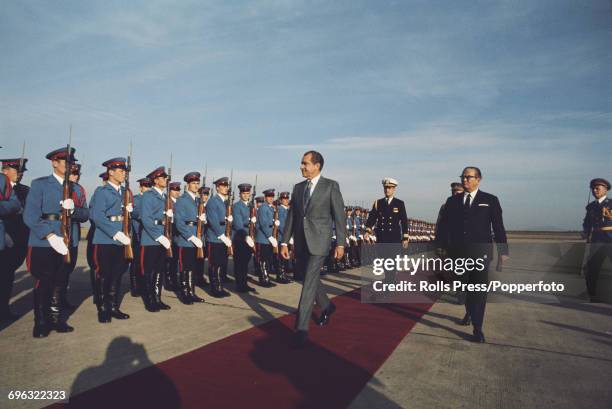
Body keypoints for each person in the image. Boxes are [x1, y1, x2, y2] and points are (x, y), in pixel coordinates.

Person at [280, 150, 347, 348]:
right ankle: (327, 305)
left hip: (320, 241)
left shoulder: (331, 186)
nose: (301, 166)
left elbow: (339, 216)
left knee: (308, 283)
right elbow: (293, 216)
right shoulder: (298, 188)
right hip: (301, 242)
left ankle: (301, 329)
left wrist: (341, 243)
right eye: (301, 163)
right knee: (305, 277)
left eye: (305, 163)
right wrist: (285, 242)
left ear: (317, 165)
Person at [436, 166, 509, 343]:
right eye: (463, 177)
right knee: (462, 289)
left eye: (469, 177)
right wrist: (441, 249)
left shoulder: (490, 200)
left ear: (478, 179)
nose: (465, 180)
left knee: (479, 291)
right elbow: (444, 228)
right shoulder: (452, 202)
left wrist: (503, 251)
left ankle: (478, 328)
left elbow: (498, 226)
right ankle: (470, 311)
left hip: (481, 254)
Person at [24, 147, 83, 337]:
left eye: (71, 162)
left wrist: (74, 210)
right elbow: (30, 216)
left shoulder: (75, 188)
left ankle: (57, 320)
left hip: (68, 240)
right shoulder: (40, 184)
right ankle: (40, 322)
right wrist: (49, 235)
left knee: (60, 281)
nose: (70, 165)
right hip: (44, 241)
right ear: (54, 163)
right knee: (44, 281)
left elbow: (85, 214)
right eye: (66, 162)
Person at [91, 158, 133, 323]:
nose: (124, 173)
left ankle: (114, 307)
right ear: (111, 172)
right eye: (121, 171)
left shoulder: (125, 193)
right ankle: (103, 310)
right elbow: (97, 216)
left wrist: (130, 211)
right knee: (104, 275)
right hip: (106, 239)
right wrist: (115, 233)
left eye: (124, 171)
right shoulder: (102, 192)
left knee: (117, 274)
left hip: (121, 239)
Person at [140, 167, 173, 312]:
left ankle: (158, 298)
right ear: (155, 179)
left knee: (159, 270)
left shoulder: (165, 197)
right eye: (163, 177)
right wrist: (158, 236)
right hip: (151, 239)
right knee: (149, 271)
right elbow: (146, 219)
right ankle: (149, 300)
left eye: (166, 177)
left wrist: (170, 217)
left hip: (163, 236)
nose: (166, 180)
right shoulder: (148, 195)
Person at [0, 157, 23, 322]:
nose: (19, 174)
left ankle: (3, 310)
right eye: (17, 170)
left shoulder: (4, 183)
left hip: (5, 239)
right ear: (5, 170)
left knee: (5, 278)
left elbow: (15, 204)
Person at [582, 178, 612, 303]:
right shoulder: (591, 207)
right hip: (596, 240)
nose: (595, 190)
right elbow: (587, 222)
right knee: (591, 268)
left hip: (611, 239)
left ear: (605, 189)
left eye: (598, 188)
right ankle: (592, 295)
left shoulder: (611, 204)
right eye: (593, 188)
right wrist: (586, 232)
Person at [205, 177, 232, 298]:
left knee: (221, 263)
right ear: (217, 188)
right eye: (223, 186)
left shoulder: (224, 202)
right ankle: (215, 288)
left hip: (223, 237)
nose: (226, 188)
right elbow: (213, 221)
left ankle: (220, 286)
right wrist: (222, 235)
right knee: (215, 264)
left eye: (226, 186)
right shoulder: (213, 201)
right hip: (215, 238)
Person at [231, 183, 257, 293]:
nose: (246, 195)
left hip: (249, 237)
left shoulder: (251, 206)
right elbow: (238, 224)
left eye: (247, 193)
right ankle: (239, 285)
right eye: (244, 193)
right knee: (239, 263)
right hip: (240, 238)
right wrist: (249, 222)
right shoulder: (237, 206)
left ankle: (244, 283)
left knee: (246, 262)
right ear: (240, 194)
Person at [255, 189, 279, 287]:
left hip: (268, 239)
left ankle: (266, 278)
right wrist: (270, 237)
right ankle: (264, 280)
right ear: (265, 198)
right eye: (269, 197)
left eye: (272, 197)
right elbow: (264, 224)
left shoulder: (270, 208)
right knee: (263, 260)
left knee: (267, 259)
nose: (271, 198)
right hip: (263, 238)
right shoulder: (263, 208)